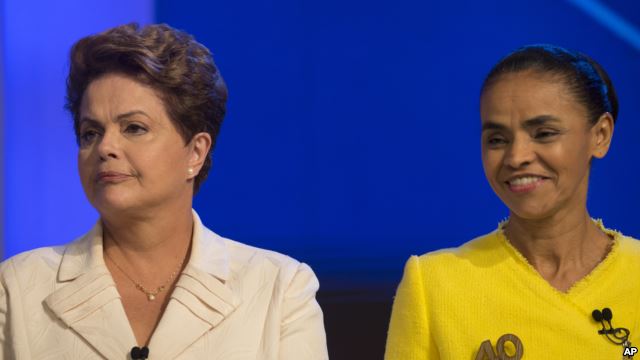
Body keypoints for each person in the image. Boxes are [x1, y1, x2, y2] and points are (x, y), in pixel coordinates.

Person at [0, 23, 328, 359]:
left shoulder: (279, 289)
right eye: (90, 133)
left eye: (134, 128)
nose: (105, 147)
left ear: (195, 152)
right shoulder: (18, 287)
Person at [385, 45, 640, 359]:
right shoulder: (433, 284)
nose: (517, 157)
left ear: (600, 135)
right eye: (497, 140)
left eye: (544, 133)